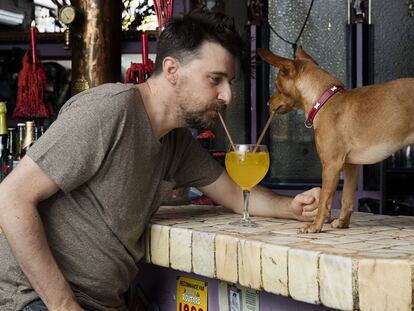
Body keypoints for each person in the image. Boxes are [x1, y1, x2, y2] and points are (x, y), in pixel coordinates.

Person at [0, 9, 320, 311]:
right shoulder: (108, 111)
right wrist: (63, 305)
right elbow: (10, 197)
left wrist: (290, 207)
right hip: (36, 299)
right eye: (215, 79)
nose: (227, 96)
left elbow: (237, 194)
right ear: (172, 71)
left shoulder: (175, 140)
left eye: (229, 83)